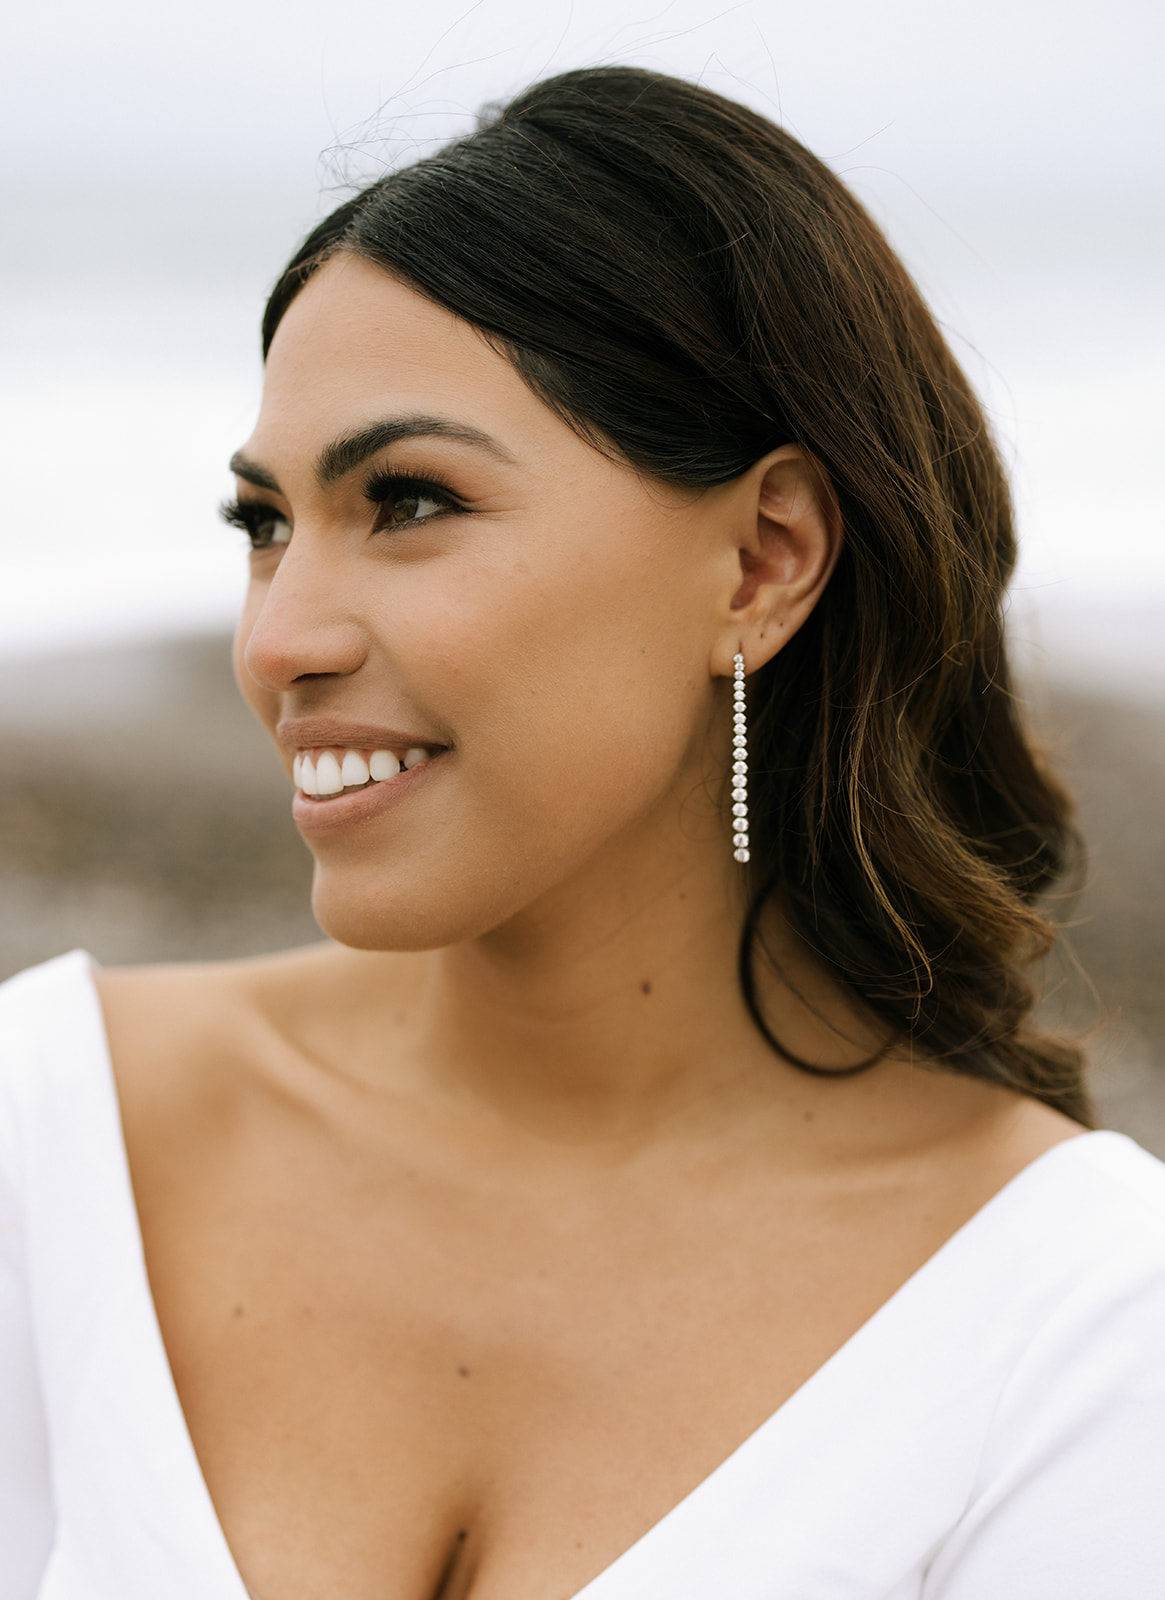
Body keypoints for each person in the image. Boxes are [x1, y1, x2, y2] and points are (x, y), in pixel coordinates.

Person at [2, 64, 1163, 1600]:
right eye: (262, 524)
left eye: (408, 500)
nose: (278, 639)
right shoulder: (52, 1133)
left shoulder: (1076, 1325)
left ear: (761, 560)